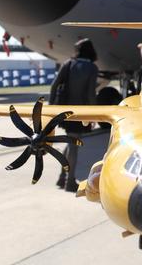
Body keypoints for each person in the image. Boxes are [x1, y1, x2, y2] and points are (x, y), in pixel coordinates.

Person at [49, 38, 98, 192]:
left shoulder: (68, 64)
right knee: (74, 145)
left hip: (65, 110)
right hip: (81, 111)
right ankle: (69, 181)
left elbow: (54, 85)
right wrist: (95, 114)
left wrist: (51, 108)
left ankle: (62, 177)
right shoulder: (92, 68)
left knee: (71, 142)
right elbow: (90, 93)